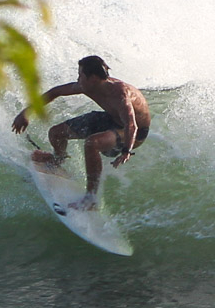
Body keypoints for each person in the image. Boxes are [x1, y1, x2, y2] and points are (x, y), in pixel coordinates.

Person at [10, 55, 150, 210]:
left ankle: (91, 198)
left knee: (92, 143)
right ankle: (58, 159)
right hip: (110, 119)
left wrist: (126, 151)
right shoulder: (87, 86)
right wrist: (26, 113)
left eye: (80, 75)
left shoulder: (120, 94)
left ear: (93, 78)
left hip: (133, 133)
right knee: (56, 133)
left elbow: (132, 125)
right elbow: (55, 92)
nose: (78, 79)